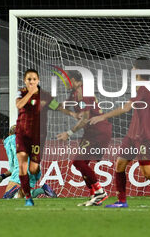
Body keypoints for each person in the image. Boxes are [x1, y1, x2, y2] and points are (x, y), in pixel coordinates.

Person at [90, 57, 150, 208]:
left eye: (134, 67)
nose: (132, 70)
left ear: (139, 71)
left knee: (149, 173)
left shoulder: (143, 88)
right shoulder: (145, 88)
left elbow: (126, 108)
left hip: (143, 137)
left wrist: (103, 116)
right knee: (120, 164)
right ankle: (122, 201)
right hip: (132, 135)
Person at [56, 71, 111, 206]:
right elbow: (63, 107)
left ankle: (99, 192)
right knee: (79, 163)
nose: (64, 83)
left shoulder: (82, 92)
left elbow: (85, 118)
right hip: (92, 132)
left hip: (97, 131)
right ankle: (94, 195)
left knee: (79, 162)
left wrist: (68, 133)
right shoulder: (76, 93)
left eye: (65, 80)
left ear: (73, 79)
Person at [15, 69, 62, 206]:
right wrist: (29, 93)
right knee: (22, 165)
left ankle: (36, 186)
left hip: (37, 136)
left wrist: (72, 112)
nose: (31, 81)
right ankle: (28, 198)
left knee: (33, 169)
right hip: (22, 134)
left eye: (34, 79)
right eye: (29, 79)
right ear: (25, 81)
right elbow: (18, 105)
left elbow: (57, 106)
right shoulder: (22, 92)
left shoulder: (45, 96)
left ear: (38, 80)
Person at [0, 125, 57, 199]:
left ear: (10, 133)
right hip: (34, 171)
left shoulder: (9, 140)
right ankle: (43, 190)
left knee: (6, 199)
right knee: (23, 196)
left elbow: (13, 168)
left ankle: (14, 189)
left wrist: (2, 176)